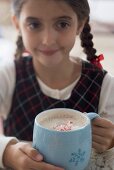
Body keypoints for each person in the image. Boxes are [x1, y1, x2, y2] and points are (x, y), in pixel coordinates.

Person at [0, 0, 114, 169]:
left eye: (62, 24)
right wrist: (6, 153)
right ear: (17, 23)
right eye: (34, 24)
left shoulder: (105, 85)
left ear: (80, 24)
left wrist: (111, 143)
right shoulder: (8, 76)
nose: (47, 40)